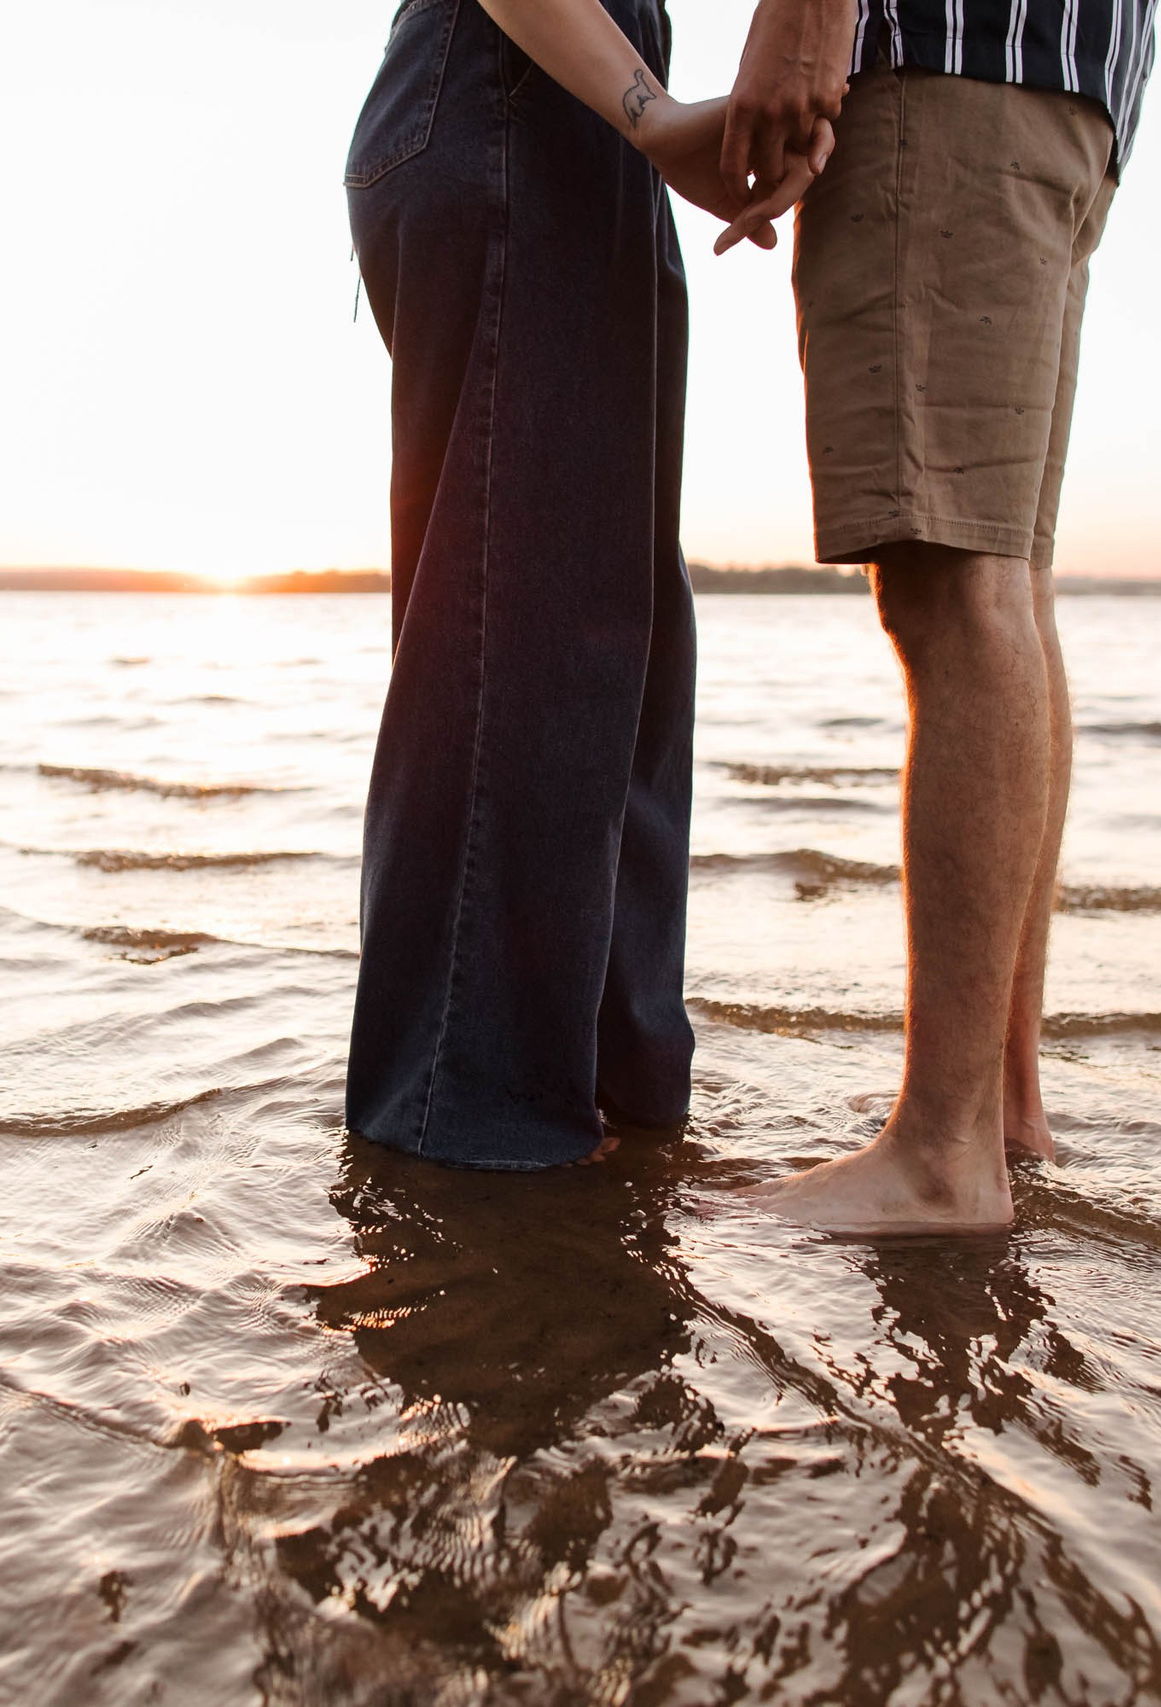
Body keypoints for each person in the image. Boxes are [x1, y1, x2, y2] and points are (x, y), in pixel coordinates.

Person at [342, 0, 824, 1169]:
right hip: (517, 90)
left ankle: (607, 1100)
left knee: (615, 638)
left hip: (566, 105)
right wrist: (650, 113)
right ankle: (474, 1135)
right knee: (534, 631)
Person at [729, 0, 1161, 1233]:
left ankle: (941, 1155)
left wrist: (808, 17)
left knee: (954, 581)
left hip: (943, 59)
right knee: (1007, 577)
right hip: (1066, 78)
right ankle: (999, 1107)